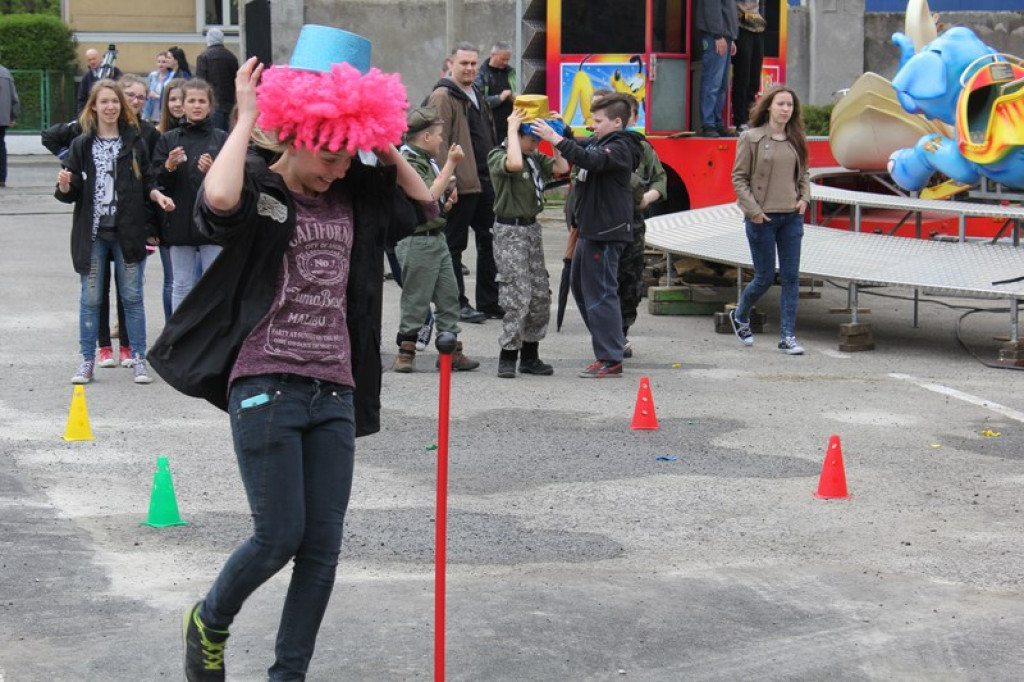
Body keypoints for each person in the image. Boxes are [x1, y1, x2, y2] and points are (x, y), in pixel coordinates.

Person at [146, 27, 432, 679]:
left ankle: (288, 674)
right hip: (265, 383)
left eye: (346, 154)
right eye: (328, 155)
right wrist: (245, 119)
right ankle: (209, 619)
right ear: (297, 133)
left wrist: (384, 146)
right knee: (279, 535)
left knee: (322, 548)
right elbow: (215, 203)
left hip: (335, 387)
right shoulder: (258, 185)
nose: (337, 168)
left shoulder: (357, 192)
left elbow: (426, 205)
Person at [55, 79, 175, 384]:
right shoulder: (82, 144)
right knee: (91, 297)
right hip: (93, 233)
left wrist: (157, 195)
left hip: (128, 232)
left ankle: (137, 359)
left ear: (122, 107)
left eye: (115, 102)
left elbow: (148, 180)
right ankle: (86, 360)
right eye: (104, 102)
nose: (110, 107)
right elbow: (73, 192)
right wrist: (65, 186)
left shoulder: (134, 141)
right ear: (93, 106)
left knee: (132, 297)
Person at [532, 93, 643, 378]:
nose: (592, 126)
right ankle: (611, 344)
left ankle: (610, 358)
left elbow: (590, 159)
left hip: (605, 233)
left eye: (598, 121)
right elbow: (582, 146)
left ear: (617, 122)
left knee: (602, 293)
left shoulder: (622, 146)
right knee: (582, 288)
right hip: (590, 229)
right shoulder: (602, 141)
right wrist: (562, 130)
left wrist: (555, 140)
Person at [392, 106, 479, 373]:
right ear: (426, 137)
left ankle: (451, 349)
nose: (442, 140)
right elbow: (425, 196)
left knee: (448, 295)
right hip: (417, 240)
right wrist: (452, 163)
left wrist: (447, 201)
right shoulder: (408, 161)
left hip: (436, 236)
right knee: (416, 297)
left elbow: (433, 202)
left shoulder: (425, 159)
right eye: (439, 135)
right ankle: (405, 351)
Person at [488, 97, 568, 378]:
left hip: (532, 230)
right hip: (509, 232)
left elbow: (561, 168)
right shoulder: (499, 155)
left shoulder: (534, 159)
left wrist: (556, 136)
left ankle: (530, 355)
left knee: (538, 294)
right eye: (530, 139)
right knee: (516, 294)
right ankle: (507, 355)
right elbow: (512, 163)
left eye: (537, 140)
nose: (535, 145)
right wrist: (511, 129)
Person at [728, 85, 810, 355]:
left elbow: (805, 173)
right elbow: (738, 178)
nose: (786, 109)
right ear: (769, 107)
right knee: (764, 278)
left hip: (791, 218)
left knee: (791, 278)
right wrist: (753, 211)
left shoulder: (796, 138)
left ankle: (787, 336)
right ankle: (740, 315)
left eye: (790, 105)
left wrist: (804, 200)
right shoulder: (750, 138)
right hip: (762, 217)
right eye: (781, 104)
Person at [426, 42, 502, 324]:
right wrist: (448, 179)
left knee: (490, 242)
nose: (470, 68)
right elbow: (438, 140)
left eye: (473, 63)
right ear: (451, 64)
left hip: (484, 183)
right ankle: (456, 302)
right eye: (464, 63)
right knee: (453, 246)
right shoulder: (443, 95)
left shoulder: (475, 95)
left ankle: (490, 302)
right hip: (460, 183)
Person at [152, 78, 229, 312]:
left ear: (210, 106)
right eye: (192, 101)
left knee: (214, 284)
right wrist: (169, 166)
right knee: (181, 284)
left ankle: (212, 337)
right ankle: (180, 338)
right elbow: (157, 183)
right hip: (179, 220)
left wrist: (213, 171)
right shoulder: (169, 139)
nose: (197, 106)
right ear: (182, 106)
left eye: (202, 101)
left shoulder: (221, 138)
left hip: (213, 221)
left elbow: (233, 183)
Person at [696, 0, 738, 137]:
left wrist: (731, 38)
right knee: (712, 82)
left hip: (725, 36)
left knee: (722, 84)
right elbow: (711, 8)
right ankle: (708, 123)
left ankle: (717, 122)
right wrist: (718, 36)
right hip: (716, 36)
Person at [732, 0, 767, 132]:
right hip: (741, 28)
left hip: (757, 28)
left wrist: (762, 21)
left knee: (754, 78)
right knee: (742, 77)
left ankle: (751, 117)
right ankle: (740, 120)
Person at [195, 28, 239, 132]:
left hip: (213, 104)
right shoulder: (231, 57)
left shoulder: (203, 56)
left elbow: (200, 83)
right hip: (230, 104)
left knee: (214, 136)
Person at [475, 41, 516, 144]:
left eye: (508, 59)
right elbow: (478, 101)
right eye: (503, 59)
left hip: (511, 125)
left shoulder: (512, 73)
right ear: (493, 55)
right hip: (490, 127)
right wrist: (499, 98)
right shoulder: (481, 74)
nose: (506, 62)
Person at [76, 48, 123, 115]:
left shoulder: (114, 72)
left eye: (94, 59)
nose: (92, 62)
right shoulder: (86, 78)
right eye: (89, 60)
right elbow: (81, 99)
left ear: (100, 58)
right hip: (93, 115)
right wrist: (82, 116)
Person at [0, 58, 19, 189]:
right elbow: (14, 98)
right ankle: (1, 178)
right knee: (1, 146)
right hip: (2, 119)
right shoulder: (6, 73)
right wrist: (13, 115)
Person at [143, 51, 174, 123]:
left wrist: (157, 96)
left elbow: (170, 95)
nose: (161, 64)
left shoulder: (172, 76)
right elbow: (149, 89)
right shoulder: (152, 75)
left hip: (164, 109)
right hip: (152, 109)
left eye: (163, 62)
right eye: (159, 61)